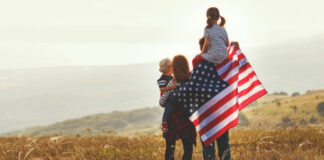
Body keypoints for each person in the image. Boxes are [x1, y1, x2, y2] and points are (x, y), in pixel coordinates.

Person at [163, 55, 196, 160]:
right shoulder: (191, 82)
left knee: (170, 149)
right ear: (186, 66)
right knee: (188, 149)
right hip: (186, 119)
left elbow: (162, 102)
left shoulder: (171, 83)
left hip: (172, 118)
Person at [157, 58, 178, 132]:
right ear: (168, 68)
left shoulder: (172, 77)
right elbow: (162, 89)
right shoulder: (162, 79)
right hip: (166, 98)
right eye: (172, 65)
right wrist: (170, 87)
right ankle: (164, 122)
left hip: (172, 96)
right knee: (168, 108)